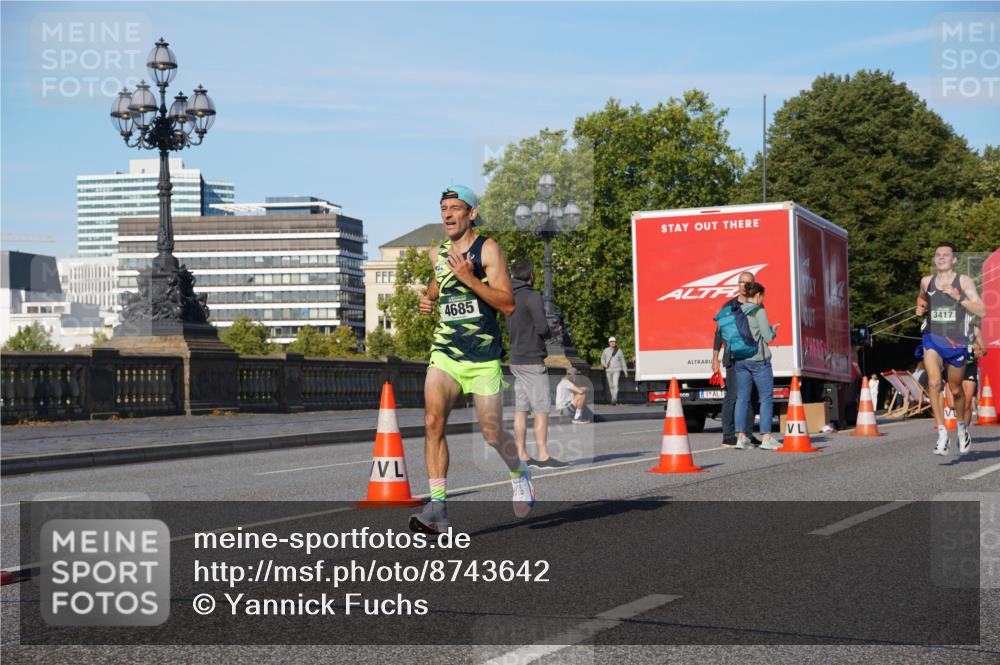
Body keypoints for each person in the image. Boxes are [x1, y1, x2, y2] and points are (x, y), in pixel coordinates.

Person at [410, 184, 533, 536]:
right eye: (443, 208)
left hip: (483, 358)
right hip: (446, 352)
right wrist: (428, 300)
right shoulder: (438, 253)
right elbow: (439, 285)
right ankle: (438, 510)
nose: (447, 214)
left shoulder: (488, 249)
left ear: (472, 213)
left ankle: (518, 472)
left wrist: (469, 277)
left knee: (493, 433)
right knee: (433, 420)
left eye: (455, 207)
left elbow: (507, 303)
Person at [915, 242, 986, 455]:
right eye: (938, 255)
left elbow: (981, 310)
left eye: (946, 255)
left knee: (956, 390)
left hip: (957, 342)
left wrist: (959, 298)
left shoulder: (963, 281)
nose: (941, 257)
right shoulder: (927, 281)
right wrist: (921, 307)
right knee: (935, 382)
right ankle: (942, 433)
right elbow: (921, 298)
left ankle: (962, 429)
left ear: (954, 259)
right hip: (932, 339)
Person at [507, 259, 567, 469]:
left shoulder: (508, 295)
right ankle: (543, 455)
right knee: (541, 408)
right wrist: (554, 332)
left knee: (521, 409)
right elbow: (542, 327)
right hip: (532, 359)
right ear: (530, 275)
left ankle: (522, 454)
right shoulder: (532, 296)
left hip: (516, 359)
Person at [711, 271, 759, 447]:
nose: (745, 286)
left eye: (748, 283)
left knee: (752, 396)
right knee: (733, 395)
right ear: (737, 284)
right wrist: (715, 358)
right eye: (742, 282)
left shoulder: (756, 305)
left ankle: (747, 433)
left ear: (753, 285)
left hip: (753, 357)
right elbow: (718, 333)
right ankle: (728, 435)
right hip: (733, 356)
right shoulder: (729, 306)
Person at [734, 283, 782, 450]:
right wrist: (773, 330)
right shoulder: (759, 311)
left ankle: (741, 437)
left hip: (740, 360)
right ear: (758, 295)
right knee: (766, 398)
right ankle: (767, 437)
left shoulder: (737, 310)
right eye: (763, 296)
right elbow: (767, 338)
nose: (763, 300)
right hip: (758, 361)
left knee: (742, 398)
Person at [961, 325, 985, 431]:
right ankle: (960, 422)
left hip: (970, 365)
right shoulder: (950, 326)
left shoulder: (974, 330)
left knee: (967, 402)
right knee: (953, 403)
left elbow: (983, 349)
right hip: (953, 365)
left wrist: (980, 351)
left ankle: (964, 432)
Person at [601, 336, 629, 405]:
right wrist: (604, 364)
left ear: (615, 343)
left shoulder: (619, 351)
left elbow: (623, 361)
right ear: (609, 343)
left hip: (617, 370)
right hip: (608, 370)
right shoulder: (606, 350)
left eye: (614, 341)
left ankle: (614, 398)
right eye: (611, 342)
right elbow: (602, 358)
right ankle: (613, 397)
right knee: (610, 385)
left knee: (615, 384)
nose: (613, 343)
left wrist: (625, 371)